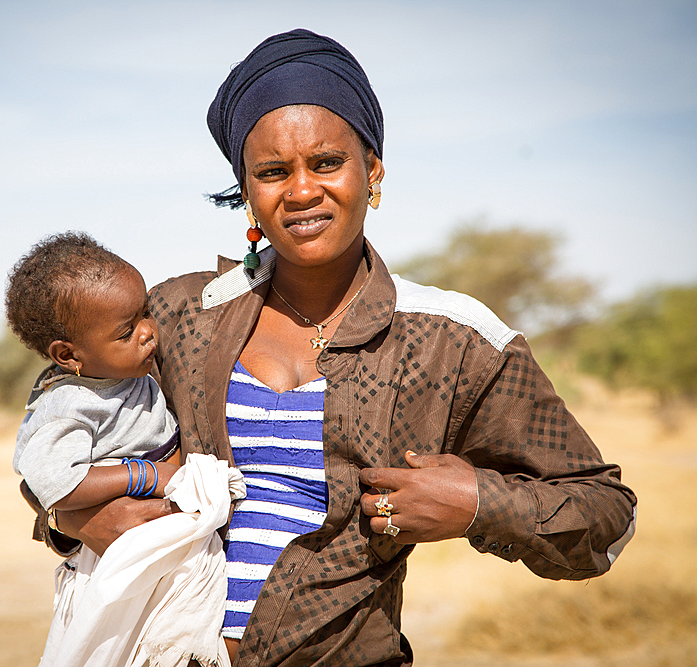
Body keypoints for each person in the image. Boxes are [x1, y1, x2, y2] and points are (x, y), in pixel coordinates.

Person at [48, 29, 638, 666]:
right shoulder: (176, 316)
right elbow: (51, 439)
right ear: (246, 189)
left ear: (373, 170)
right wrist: (72, 522)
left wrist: (473, 505)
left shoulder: (453, 341)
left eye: (326, 162)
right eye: (272, 172)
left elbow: (605, 517)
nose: (301, 191)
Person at [6, 231, 244, 667]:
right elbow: (54, 482)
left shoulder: (128, 375)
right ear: (68, 354)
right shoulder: (72, 401)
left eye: (144, 313)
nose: (149, 331)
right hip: (119, 566)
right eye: (126, 330)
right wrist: (147, 476)